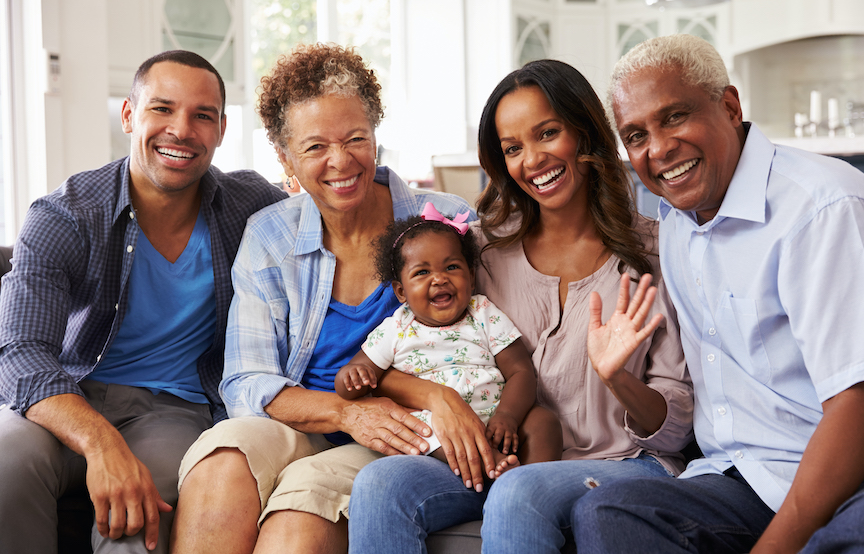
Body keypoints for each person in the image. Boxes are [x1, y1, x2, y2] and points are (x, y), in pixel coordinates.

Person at [572, 34, 864, 554]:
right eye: (636, 135)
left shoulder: (825, 205)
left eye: (674, 117)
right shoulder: (677, 223)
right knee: (608, 513)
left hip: (863, 476)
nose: (657, 149)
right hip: (744, 477)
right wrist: (619, 379)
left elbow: (857, 406)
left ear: (728, 106)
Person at [348, 59, 693, 554]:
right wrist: (436, 398)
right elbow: (413, 346)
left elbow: (675, 426)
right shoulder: (480, 254)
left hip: (622, 464)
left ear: (585, 132)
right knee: (381, 483)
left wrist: (618, 378)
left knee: (518, 490)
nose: (532, 160)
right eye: (513, 148)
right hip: (503, 460)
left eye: (547, 133)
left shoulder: (656, 254)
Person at [169, 43, 475, 554]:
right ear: (285, 157)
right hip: (303, 421)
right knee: (223, 458)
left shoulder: (444, 223)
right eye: (314, 148)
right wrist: (345, 412)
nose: (341, 161)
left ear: (376, 134)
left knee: (301, 509)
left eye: (356, 138)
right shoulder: (270, 236)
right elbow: (246, 381)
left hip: (403, 434)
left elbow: (492, 339)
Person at [0, 50, 288, 553]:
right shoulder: (66, 215)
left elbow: (336, 209)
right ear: (130, 114)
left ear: (220, 130)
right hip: (69, 396)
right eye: (162, 109)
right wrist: (100, 442)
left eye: (203, 115)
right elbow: (20, 352)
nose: (182, 129)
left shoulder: (249, 206)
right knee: (4, 464)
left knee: (139, 512)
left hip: (173, 410)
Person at [335, 203, 562, 470]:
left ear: (472, 277)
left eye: (452, 267)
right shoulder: (396, 328)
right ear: (400, 292)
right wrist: (352, 377)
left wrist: (508, 416)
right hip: (440, 425)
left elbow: (521, 372)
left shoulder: (483, 313)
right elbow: (355, 376)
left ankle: (532, 483)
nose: (439, 279)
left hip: (498, 420)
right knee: (424, 430)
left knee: (544, 421)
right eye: (422, 272)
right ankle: (494, 467)